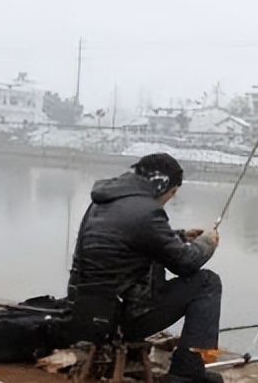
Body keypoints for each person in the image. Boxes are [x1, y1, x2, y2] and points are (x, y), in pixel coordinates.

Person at [68, 152, 223, 383]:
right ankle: (187, 373)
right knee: (207, 283)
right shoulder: (146, 212)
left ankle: (181, 366)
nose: (169, 199)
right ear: (162, 185)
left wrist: (178, 236)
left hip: (84, 314)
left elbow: (135, 240)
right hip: (120, 319)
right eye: (172, 193)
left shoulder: (103, 202)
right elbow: (186, 264)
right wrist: (207, 243)